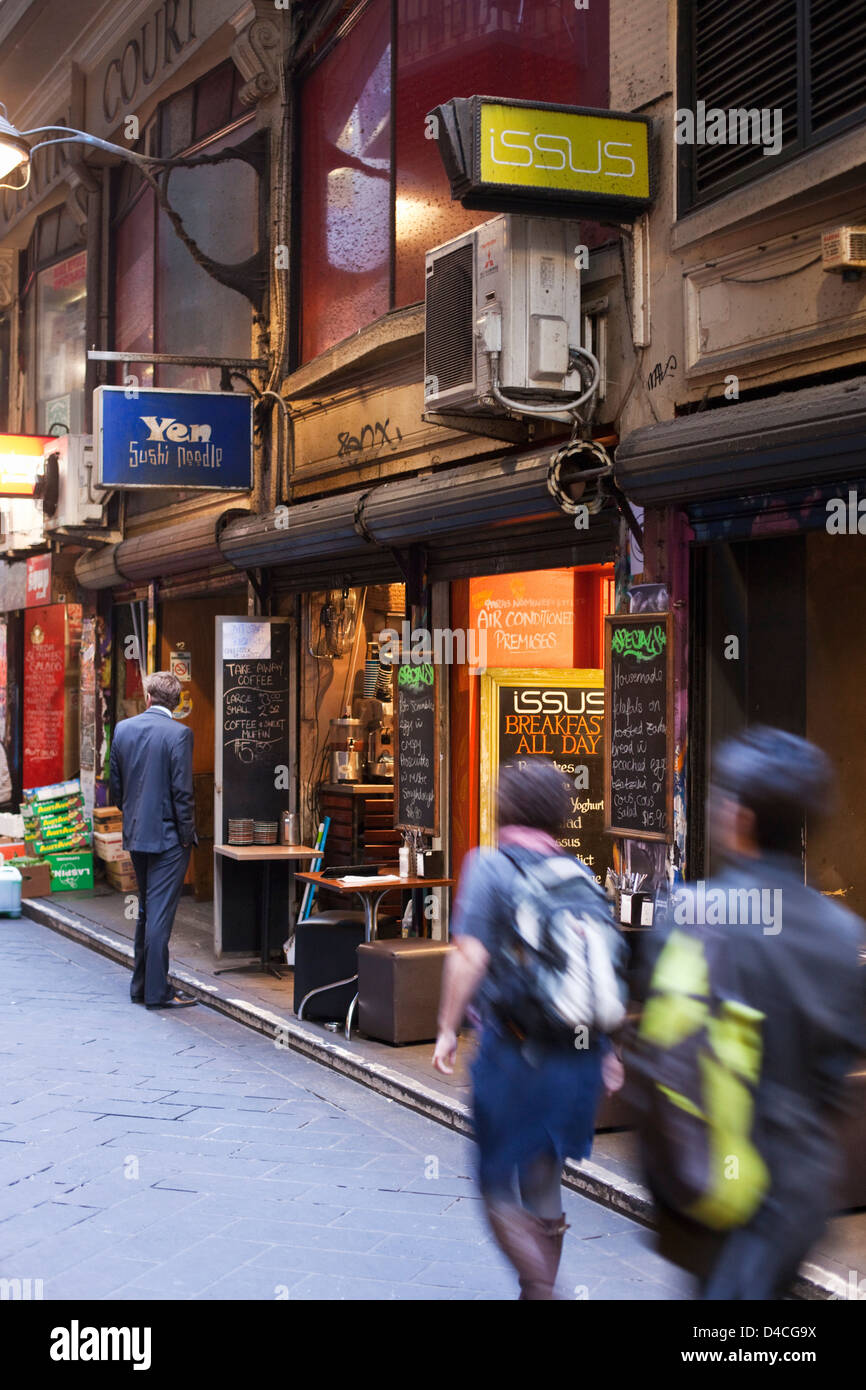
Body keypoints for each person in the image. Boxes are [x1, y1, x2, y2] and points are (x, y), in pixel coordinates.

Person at [646, 726, 866, 1299]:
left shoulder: (689, 913)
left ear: (739, 819)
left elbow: (656, 1038)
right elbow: (839, 1068)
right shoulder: (844, 936)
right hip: (797, 1188)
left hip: (701, 1173)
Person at [432, 759, 624, 1300]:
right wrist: (606, 1052)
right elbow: (599, 972)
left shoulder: (490, 866)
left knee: (494, 1181)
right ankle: (536, 1294)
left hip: (515, 1053)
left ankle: (545, 1287)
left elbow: (469, 954)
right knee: (543, 1178)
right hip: (578, 1058)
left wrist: (447, 1027)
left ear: (504, 808)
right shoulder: (582, 876)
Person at [109, 671, 199, 1011]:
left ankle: (141, 985)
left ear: (149, 697)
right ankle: (157, 993)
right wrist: (187, 834)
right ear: (176, 703)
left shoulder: (123, 729)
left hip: (137, 833)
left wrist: (132, 814)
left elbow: (116, 786)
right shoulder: (180, 734)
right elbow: (182, 792)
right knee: (159, 914)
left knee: (147, 911)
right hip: (168, 838)